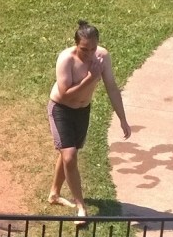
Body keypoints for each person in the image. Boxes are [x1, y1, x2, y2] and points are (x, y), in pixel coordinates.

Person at [47, 19, 131, 221]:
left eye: (93, 49)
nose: (89, 54)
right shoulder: (66, 59)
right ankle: (81, 207)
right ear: (76, 44)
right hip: (61, 110)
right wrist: (91, 78)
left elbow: (111, 87)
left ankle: (54, 193)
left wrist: (122, 119)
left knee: (69, 153)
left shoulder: (103, 57)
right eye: (84, 49)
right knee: (69, 156)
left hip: (82, 111)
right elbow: (65, 95)